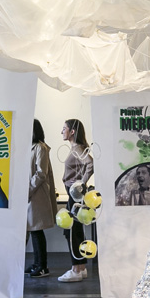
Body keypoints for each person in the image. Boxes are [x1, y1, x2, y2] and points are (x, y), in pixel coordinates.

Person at [58, 118, 94, 282]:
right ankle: (81, 267)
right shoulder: (75, 148)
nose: (61, 131)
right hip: (74, 194)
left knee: (71, 231)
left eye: (64, 128)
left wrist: (81, 183)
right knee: (76, 229)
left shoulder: (77, 148)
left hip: (75, 194)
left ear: (72, 132)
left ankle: (76, 270)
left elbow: (90, 164)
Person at [26, 119, 58, 277]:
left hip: (36, 194)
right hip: (31, 194)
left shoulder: (40, 147)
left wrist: (28, 190)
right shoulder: (31, 147)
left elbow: (41, 173)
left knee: (36, 230)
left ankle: (42, 266)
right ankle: (37, 263)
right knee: (33, 230)